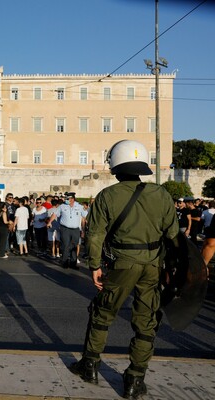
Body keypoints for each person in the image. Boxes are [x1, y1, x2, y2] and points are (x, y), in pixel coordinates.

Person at [68, 140, 179, 399]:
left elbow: (95, 235)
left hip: (121, 264)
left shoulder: (108, 196)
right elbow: (173, 234)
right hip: (152, 265)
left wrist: (94, 265)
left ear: (115, 165)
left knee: (102, 312)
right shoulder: (161, 194)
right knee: (146, 321)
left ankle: (90, 364)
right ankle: (135, 377)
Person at [47, 192, 85, 269]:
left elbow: (84, 218)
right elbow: (55, 214)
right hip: (65, 229)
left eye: (67, 199)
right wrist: (50, 222)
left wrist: (83, 230)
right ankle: (64, 262)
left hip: (75, 229)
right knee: (65, 245)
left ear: (72, 199)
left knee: (74, 246)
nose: (66, 200)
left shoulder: (80, 207)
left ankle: (73, 263)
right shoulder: (62, 206)